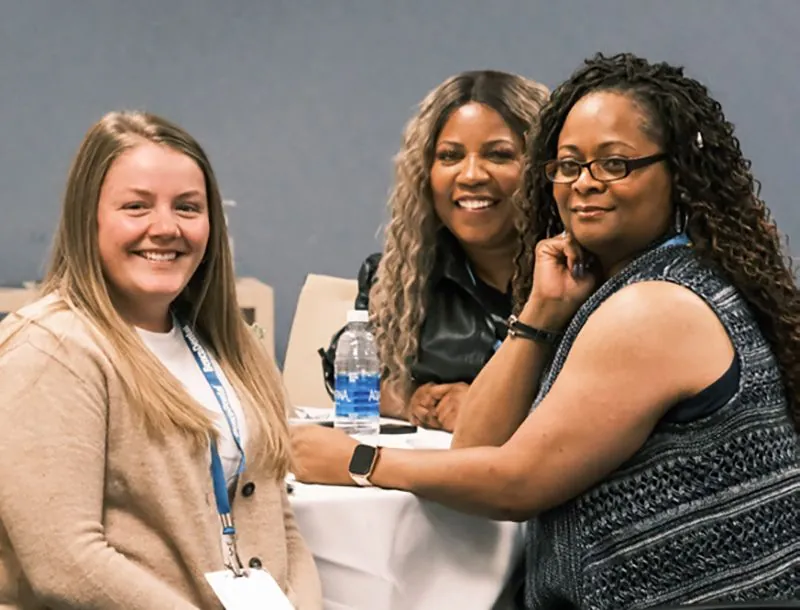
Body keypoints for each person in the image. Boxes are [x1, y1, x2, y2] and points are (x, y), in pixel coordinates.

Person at [292, 52, 800, 608]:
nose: (584, 184)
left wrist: (357, 462)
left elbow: (516, 484)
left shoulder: (654, 307)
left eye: (614, 164)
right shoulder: (635, 283)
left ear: (677, 172)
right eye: (567, 165)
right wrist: (536, 315)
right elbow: (476, 445)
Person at [0, 111, 322, 609]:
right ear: (90, 218)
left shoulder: (234, 348)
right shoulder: (51, 349)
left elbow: (277, 520)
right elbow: (64, 560)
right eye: (136, 206)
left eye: (188, 208)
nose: (166, 227)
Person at [320, 70, 549, 431]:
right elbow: (348, 370)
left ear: (544, 168)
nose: (471, 174)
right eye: (450, 156)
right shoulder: (400, 277)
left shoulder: (582, 277)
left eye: (499, 154)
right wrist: (410, 400)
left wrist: (483, 407)